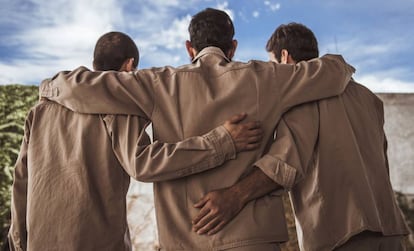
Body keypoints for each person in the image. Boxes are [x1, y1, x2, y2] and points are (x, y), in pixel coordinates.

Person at [40, 8, 355, 250]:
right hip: (254, 240)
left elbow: (89, 85)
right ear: (232, 47)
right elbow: (335, 70)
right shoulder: (267, 77)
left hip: (183, 239)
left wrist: (50, 86)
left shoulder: (156, 83)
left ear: (190, 47)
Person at [7, 31, 264, 250]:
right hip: (95, 242)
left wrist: (18, 242)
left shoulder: (40, 111)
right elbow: (143, 164)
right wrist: (222, 141)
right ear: (130, 66)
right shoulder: (119, 105)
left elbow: (21, 181)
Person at [192, 23, 410, 251]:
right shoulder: (368, 98)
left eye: (273, 63)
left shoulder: (305, 92)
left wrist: (234, 196)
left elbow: (286, 164)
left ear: (284, 56)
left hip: (343, 233)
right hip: (389, 230)